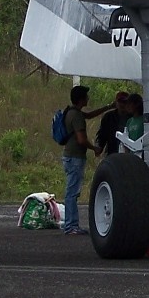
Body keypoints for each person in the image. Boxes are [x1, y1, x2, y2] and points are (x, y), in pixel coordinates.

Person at [59, 84, 107, 236]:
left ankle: (71, 225)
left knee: (71, 192)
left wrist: (107, 107)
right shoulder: (77, 116)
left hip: (69, 156)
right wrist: (94, 148)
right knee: (72, 193)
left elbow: (89, 115)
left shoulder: (72, 112)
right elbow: (81, 139)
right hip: (75, 157)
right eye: (86, 96)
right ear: (81, 99)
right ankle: (71, 226)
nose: (88, 98)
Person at [95, 91, 131, 156]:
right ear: (116, 102)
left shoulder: (133, 117)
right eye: (120, 101)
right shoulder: (108, 116)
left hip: (128, 152)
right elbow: (102, 134)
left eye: (125, 102)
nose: (122, 104)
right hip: (112, 150)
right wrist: (99, 147)